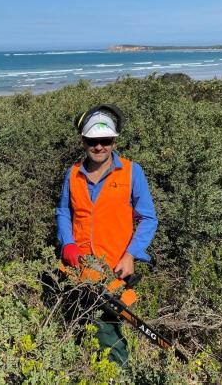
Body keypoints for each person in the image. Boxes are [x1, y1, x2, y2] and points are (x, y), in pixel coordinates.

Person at [55, 104, 158, 366]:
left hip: (114, 269)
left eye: (106, 140)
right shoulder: (73, 173)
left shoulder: (132, 172)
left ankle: (117, 374)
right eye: (93, 141)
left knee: (108, 331)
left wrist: (131, 255)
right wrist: (68, 245)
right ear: (83, 141)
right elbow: (64, 212)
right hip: (77, 268)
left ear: (114, 141)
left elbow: (148, 218)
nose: (99, 146)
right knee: (78, 324)